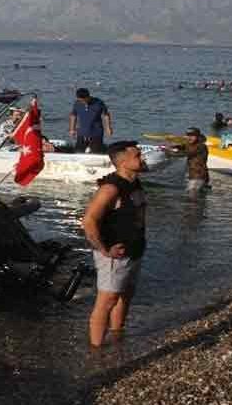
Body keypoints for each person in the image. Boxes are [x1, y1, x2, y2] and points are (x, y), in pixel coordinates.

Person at [82, 141, 147, 348]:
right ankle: (95, 351)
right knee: (107, 300)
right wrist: (103, 250)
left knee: (125, 294)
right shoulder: (110, 189)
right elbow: (89, 220)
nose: (142, 158)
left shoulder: (134, 183)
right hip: (115, 254)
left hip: (134, 249)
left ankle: (117, 336)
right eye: (138, 156)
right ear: (123, 162)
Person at [69, 88, 113, 153]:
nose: (82, 102)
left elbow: (106, 115)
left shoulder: (99, 103)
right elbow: (73, 115)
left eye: (83, 100)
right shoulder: (77, 103)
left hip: (96, 133)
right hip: (82, 133)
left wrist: (108, 128)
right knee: (78, 152)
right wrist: (72, 129)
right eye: (80, 100)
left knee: (96, 152)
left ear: (88, 97)